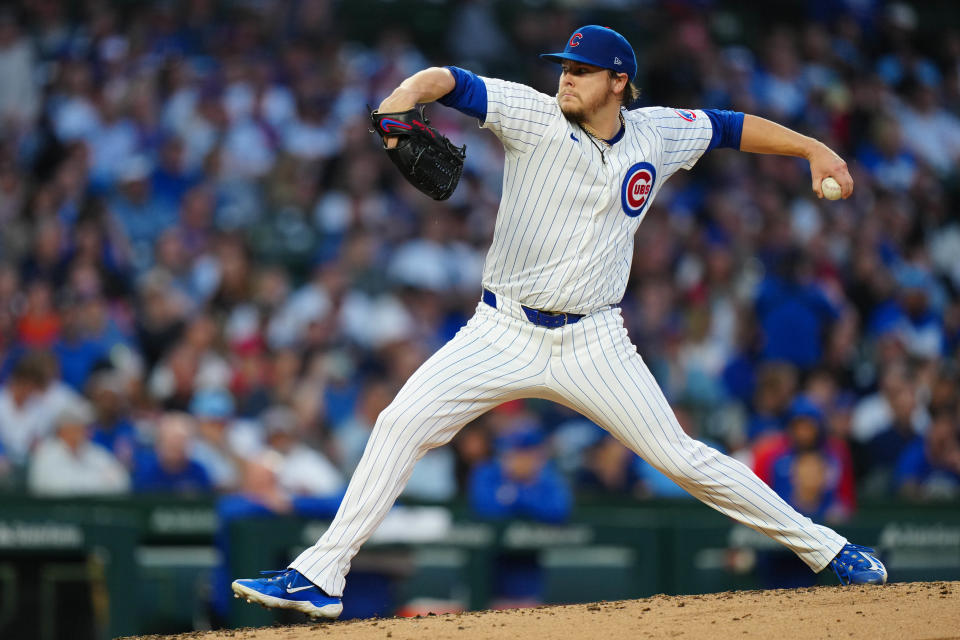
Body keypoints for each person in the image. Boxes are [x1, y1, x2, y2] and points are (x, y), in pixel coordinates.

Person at [232, 26, 887, 619]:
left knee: (683, 459)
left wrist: (814, 148)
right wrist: (397, 105)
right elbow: (445, 81)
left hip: (593, 340)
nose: (565, 78)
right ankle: (320, 573)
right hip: (501, 330)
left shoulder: (657, 132)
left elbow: (729, 126)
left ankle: (829, 551)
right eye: (564, 67)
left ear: (618, 82)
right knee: (400, 424)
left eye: (580, 69)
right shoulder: (533, 115)